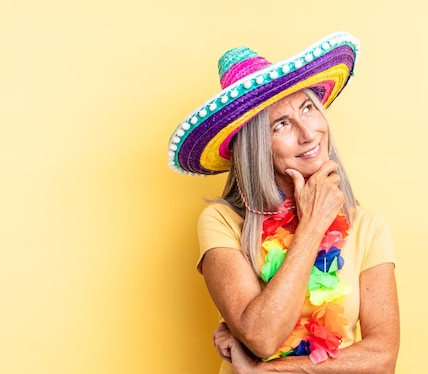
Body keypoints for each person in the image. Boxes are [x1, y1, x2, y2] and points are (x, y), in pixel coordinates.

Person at [167, 31, 400, 373]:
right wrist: (313, 224)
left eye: (308, 108)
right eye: (281, 125)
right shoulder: (222, 221)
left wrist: (266, 371)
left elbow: (382, 358)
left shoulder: (368, 226)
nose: (308, 134)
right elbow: (262, 337)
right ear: (255, 146)